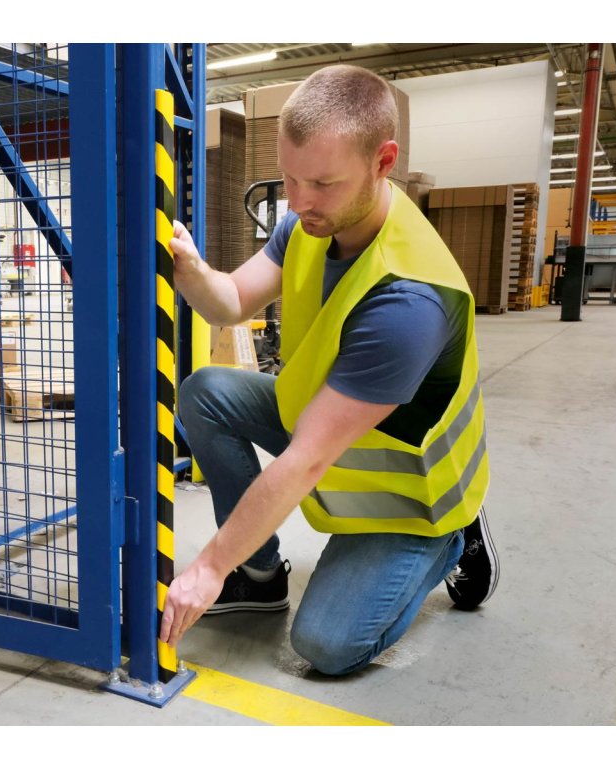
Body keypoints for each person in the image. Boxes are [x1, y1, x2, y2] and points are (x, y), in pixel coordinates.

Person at [161, 65, 498, 676]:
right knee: (207, 391)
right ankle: (258, 574)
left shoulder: (409, 300)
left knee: (325, 646)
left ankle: (453, 541)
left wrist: (208, 567)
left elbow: (306, 461)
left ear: (383, 162)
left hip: (405, 496)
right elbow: (231, 302)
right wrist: (191, 269)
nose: (298, 202)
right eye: (290, 177)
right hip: (332, 430)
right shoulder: (306, 225)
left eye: (322, 183)